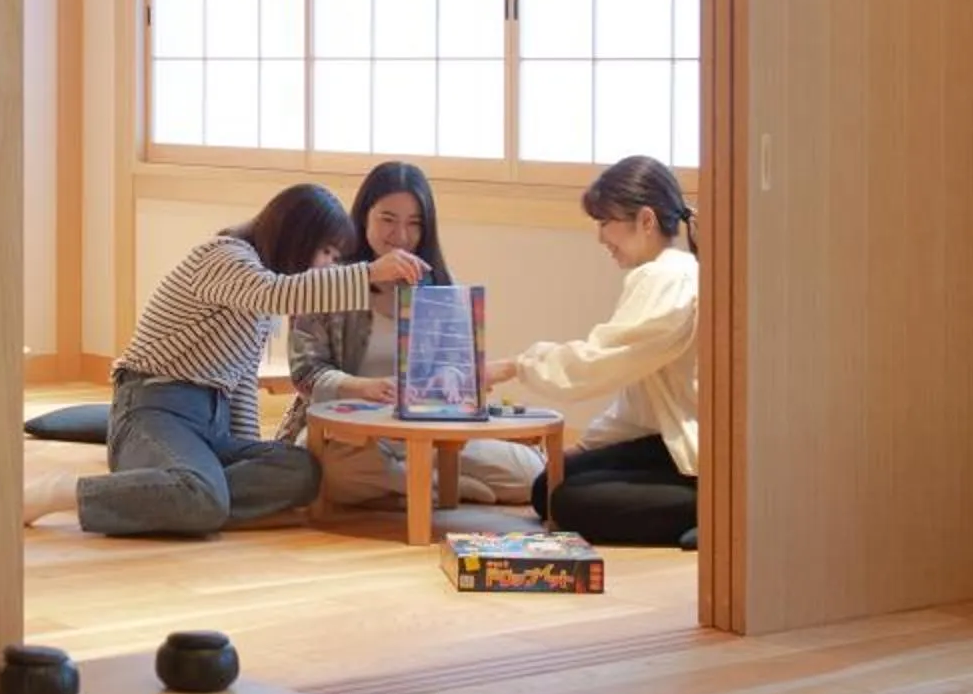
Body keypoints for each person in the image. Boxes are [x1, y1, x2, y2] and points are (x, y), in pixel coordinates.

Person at [25, 186, 425, 537]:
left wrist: (250, 450)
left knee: (301, 471)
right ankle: (68, 492)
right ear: (295, 237)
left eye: (335, 256)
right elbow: (276, 293)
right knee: (201, 492)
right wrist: (368, 273)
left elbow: (240, 386)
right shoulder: (224, 256)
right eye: (325, 251)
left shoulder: (259, 297)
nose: (327, 264)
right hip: (154, 408)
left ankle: (173, 496)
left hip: (209, 424)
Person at [281, 162, 541, 510]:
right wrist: (363, 387)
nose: (401, 235)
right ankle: (438, 487)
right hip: (347, 434)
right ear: (364, 216)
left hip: (425, 431)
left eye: (414, 223)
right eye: (388, 219)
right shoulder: (330, 283)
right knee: (319, 471)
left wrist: (460, 378)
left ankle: (405, 486)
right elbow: (306, 374)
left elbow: (455, 374)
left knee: (534, 474)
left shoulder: (439, 287)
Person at [484, 155, 701, 550]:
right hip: (662, 444)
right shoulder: (667, 273)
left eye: (605, 223)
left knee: (566, 501)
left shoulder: (668, 278)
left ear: (646, 221)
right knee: (547, 486)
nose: (601, 238)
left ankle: (714, 512)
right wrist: (588, 445)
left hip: (695, 462)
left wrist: (517, 365)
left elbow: (595, 363)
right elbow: (639, 400)